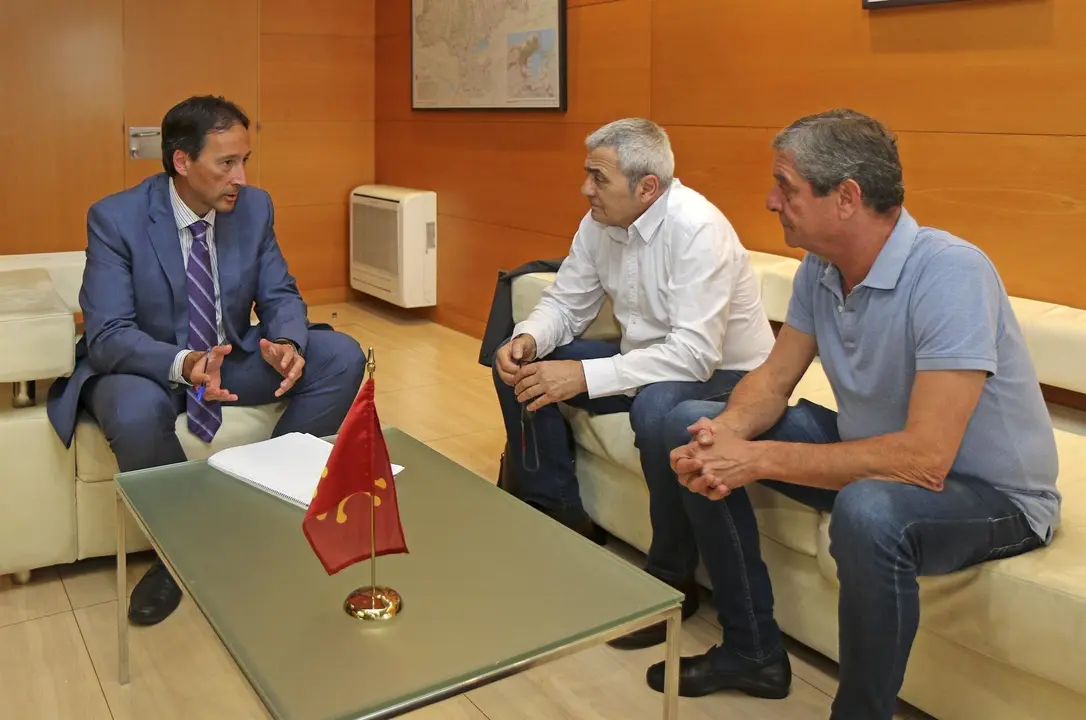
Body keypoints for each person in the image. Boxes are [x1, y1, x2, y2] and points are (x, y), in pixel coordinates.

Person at [647, 109, 1060, 718]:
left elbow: (923, 459)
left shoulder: (950, 272)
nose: (769, 200)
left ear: (846, 197)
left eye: (785, 187)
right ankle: (753, 649)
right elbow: (771, 381)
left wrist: (755, 458)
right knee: (681, 420)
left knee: (870, 510)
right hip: (874, 452)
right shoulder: (822, 267)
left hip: (991, 497)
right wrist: (724, 435)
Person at [47, 95, 366, 626]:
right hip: (145, 366)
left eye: (245, 160)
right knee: (130, 409)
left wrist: (285, 342)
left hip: (230, 357)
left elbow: (281, 293)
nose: (241, 176)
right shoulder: (116, 218)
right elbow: (108, 334)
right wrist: (186, 362)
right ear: (181, 162)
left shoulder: (255, 207)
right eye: (227, 163)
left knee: (339, 356)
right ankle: (179, 554)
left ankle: (265, 503)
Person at [493, 118, 776, 647]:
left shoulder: (697, 229)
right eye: (587, 175)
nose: (585, 190)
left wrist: (582, 375)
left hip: (727, 375)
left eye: (598, 179)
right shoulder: (598, 222)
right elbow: (566, 302)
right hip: (645, 361)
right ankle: (558, 511)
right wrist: (531, 336)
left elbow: (694, 356)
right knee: (514, 366)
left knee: (654, 409)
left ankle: (671, 579)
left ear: (648, 187)